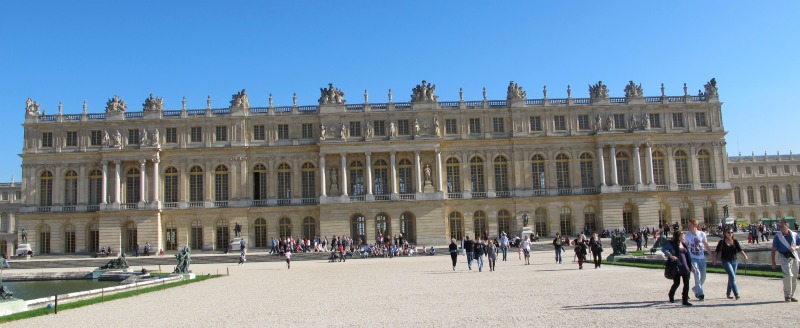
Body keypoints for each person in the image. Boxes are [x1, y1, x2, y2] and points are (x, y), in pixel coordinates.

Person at [713, 228, 748, 300]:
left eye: (731, 232)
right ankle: (736, 294)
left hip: (734, 261)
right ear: (725, 233)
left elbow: (740, 250)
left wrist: (745, 256)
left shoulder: (735, 241)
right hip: (725, 261)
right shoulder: (721, 242)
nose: (730, 234)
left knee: (731, 277)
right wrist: (714, 259)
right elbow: (716, 251)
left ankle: (728, 293)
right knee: (732, 276)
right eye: (728, 232)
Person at [685, 218, 714, 301]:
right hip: (693, 258)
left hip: (701, 258)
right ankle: (700, 294)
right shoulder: (687, 236)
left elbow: (706, 246)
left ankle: (696, 289)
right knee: (697, 273)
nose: (688, 226)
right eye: (688, 225)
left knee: (703, 276)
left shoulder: (702, 234)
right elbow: (686, 248)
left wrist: (712, 256)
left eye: (690, 225)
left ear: (695, 225)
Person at [771, 219, 800, 302]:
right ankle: (787, 295)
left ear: (788, 226)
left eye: (782, 226)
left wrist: (795, 248)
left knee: (794, 276)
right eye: (779, 226)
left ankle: (791, 295)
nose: (780, 228)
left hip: (793, 255)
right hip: (783, 256)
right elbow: (773, 249)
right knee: (788, 275)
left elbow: (799, 245)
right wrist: (773, 261)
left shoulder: (794, 235)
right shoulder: (778, 236)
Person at [665, 231, 695, 306]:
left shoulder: (684, 244)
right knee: (676, 283)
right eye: (682, 235)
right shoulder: (673, 244)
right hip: (677, 266)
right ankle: (671, 294)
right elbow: (666, 251)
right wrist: (671, 256)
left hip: (685, 266)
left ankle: (684, 300)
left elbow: (688, 257)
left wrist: (691, 266)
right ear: (678, 236)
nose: (684, 236)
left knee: (686, 283)